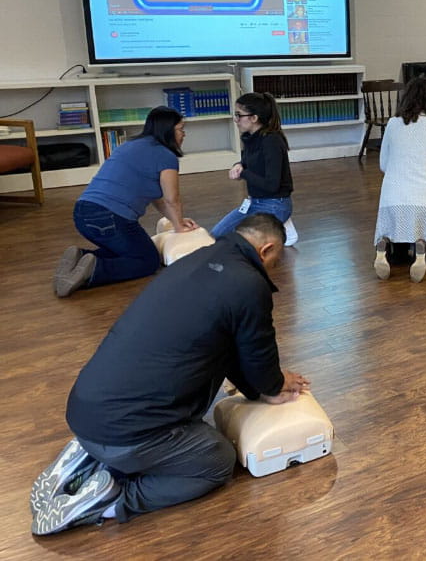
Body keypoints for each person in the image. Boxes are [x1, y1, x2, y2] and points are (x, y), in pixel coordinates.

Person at [30, 214, 310, 536]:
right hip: (123, 434)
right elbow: (257, 353)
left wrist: (260, 387)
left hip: (85, 411)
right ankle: (111, 500)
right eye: (274, 262)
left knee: (170, 416)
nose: (273, 269)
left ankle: (92, 457)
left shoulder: (195, 260)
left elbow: (232, 349)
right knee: (217, 460)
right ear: (266, 249)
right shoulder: (248, 282)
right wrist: (273, 384)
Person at [53, 106, 198, 297]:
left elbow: (158, 198)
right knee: (147, 260)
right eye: (181, 129)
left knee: (128, 250)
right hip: (110, 218)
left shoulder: (129, 145)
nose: (184, 134)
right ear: (167, 130)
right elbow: (172, 198)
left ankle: (81, 257)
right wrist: (179, 227)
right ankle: (94, 270)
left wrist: (177, 221)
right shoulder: (166, 156)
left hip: (83, 213)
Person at [373, 77, 426, 282]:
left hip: (392, 202)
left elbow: (383, 165)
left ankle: (385, 244)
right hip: (425, 202)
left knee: (398, 254)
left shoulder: (393, 124)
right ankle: (423, 246)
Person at [211, 92, 297, 245]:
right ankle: (280, 225)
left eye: (239, 115)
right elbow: (249, 162)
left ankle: (281, 226)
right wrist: (239, 165)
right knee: (216, 235)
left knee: (242, 243)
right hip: (254, 202)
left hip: (275, 203)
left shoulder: (271, 141)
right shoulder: (250, 137)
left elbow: (272, 185)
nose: (236, 120)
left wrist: (244, 173)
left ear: (254, 118)